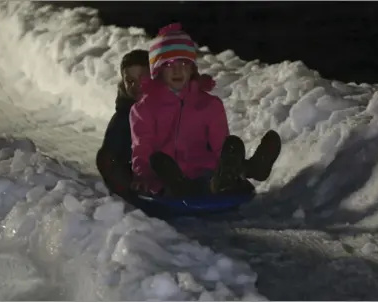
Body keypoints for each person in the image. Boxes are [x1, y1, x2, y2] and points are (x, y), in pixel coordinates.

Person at [130, 23, 282, 198]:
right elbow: (142, 148)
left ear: (192, 69)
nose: (178, 70)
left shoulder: (210, 104)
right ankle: (186, 188)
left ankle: (239, 173)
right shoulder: (144, 109)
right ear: (158, 70)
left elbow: (220, 147)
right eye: (170, 64)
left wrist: (229, 167)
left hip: (204, 173)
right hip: (166, 176)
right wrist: (142, 175)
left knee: (231, 145)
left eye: (184, 63)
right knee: (159, 162)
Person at [96, 49, 150, 200]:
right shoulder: (123, 116)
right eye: (130, 81)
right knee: (106, 158)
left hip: (162, 168)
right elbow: (108, 155)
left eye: (142, 78)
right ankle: (132, 191)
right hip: (132, 171)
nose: (137, 85)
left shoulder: (168, 106)